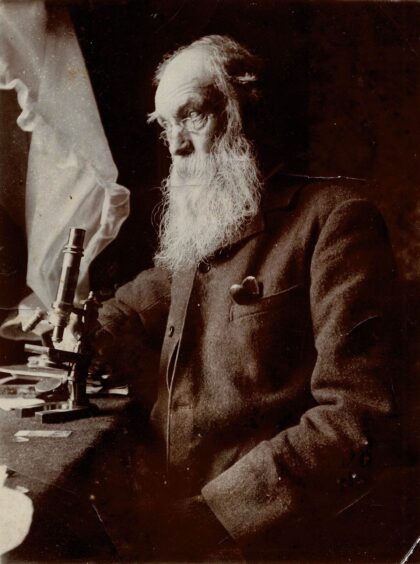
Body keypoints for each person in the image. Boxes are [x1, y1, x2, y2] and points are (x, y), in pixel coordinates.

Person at [93, 35, 400, 561]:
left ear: (245, 113)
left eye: (191, 116)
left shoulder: (334, 220)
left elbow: (357, 415)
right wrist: (87, 333)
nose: (177, 145)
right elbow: (127, 309)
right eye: (166, 126)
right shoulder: (206, 229)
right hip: (175, 513)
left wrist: (213, 516)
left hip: (267, 532)